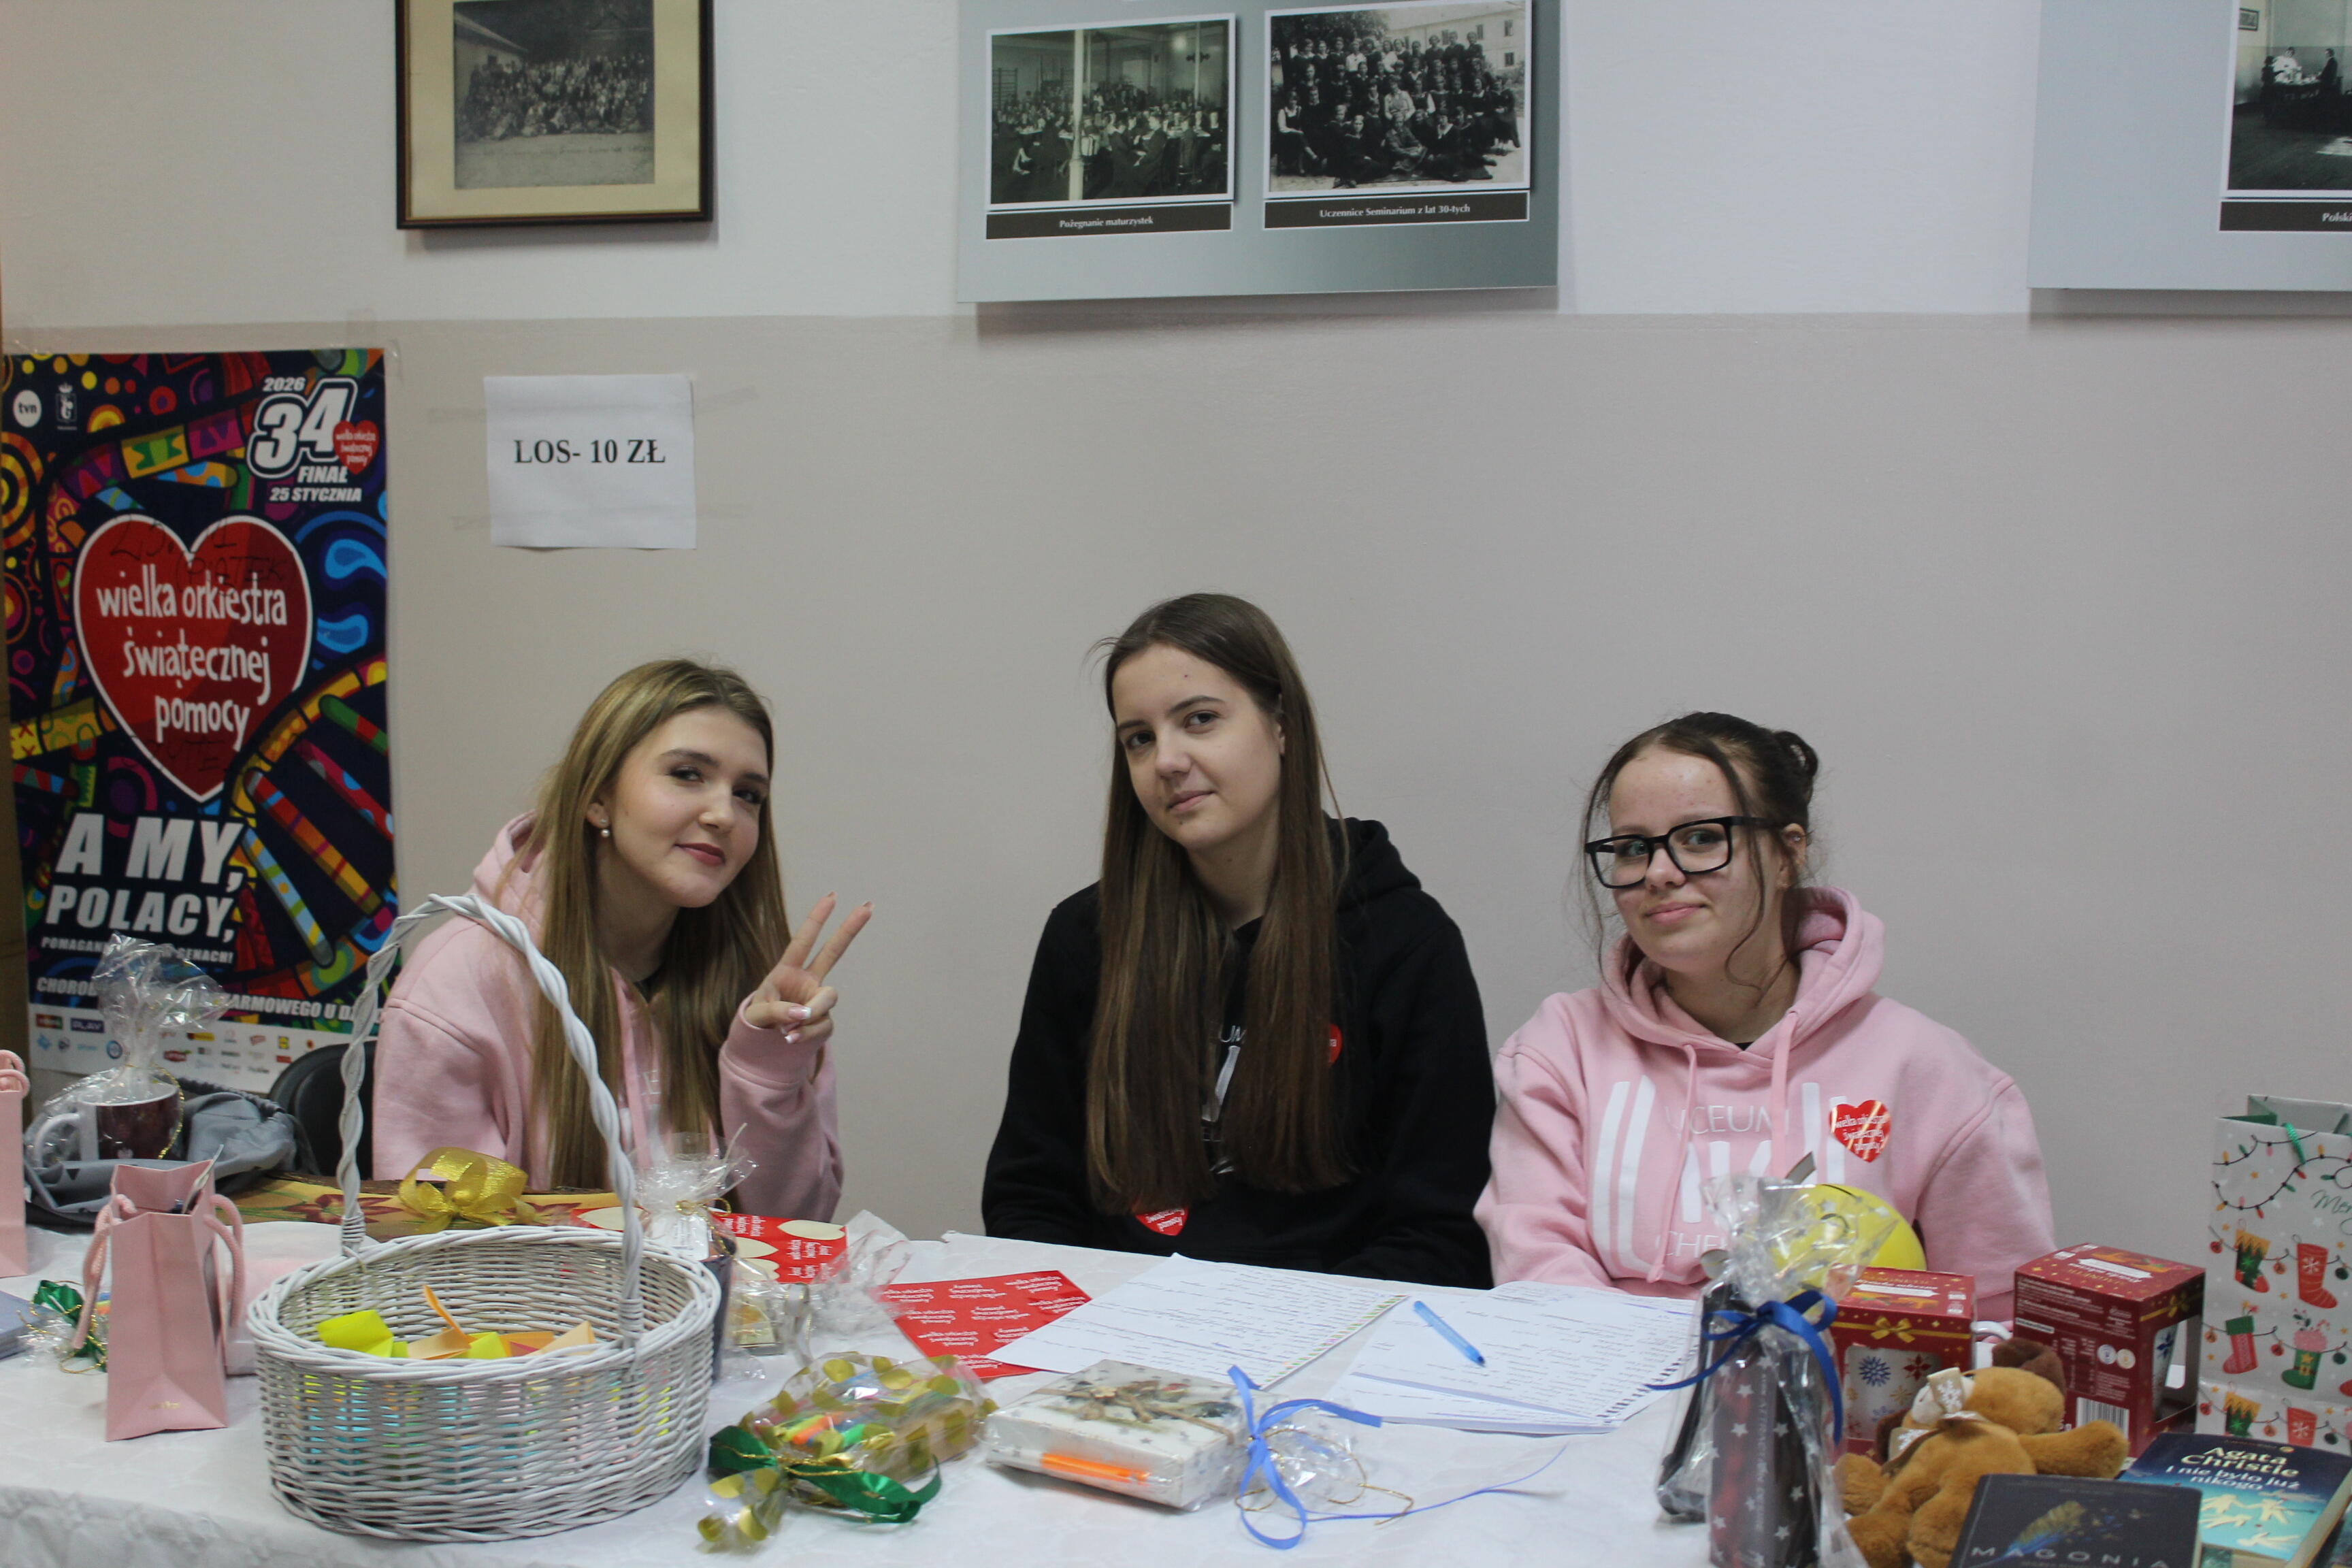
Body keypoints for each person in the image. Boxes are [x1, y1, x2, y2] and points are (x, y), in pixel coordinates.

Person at [983, 593, 1494, 1286]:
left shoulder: (1403, 942)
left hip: (1326, 1336)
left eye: (1200, 720)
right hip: (1112, 1335)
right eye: (1139, 738)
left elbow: (1440, 1237)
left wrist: (1277, 1335)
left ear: (1281, 726)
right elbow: (1030, 1200)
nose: (1167, 761)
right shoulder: (1085, 938)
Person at [1476, 713, 2053, 1316]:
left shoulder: (1930, 1070)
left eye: (1701, 838)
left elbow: (2000, 1317)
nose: (1659, 873)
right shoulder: (1559, 1049)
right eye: (1632, 848)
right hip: (1607, 1374)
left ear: (1786, 854)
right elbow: (1539, 1275)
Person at [373, 659, 870, 1220]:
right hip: (532, 1284)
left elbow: (800, 1229)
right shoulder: (457, 981)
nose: (724, 814)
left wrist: (766, 1073)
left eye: (749, 795)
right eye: (688, 774)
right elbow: (435, 1235)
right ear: (597, 797)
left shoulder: (758, 987)